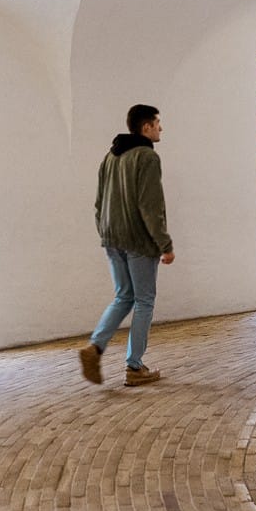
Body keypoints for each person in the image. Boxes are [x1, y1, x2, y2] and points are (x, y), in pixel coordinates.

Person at [79, 104, 175, 387]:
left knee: (123, 296)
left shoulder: (110, 156)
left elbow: (98, 203)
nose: (161, 128)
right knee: (144, 300)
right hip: (138, 241)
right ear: (145, 127)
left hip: (112, 238)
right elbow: (150, 206)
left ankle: (95, 346)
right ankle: (134, 366)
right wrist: (164, 244)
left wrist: (105, 231)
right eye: (157, 123)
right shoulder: (147, 157)